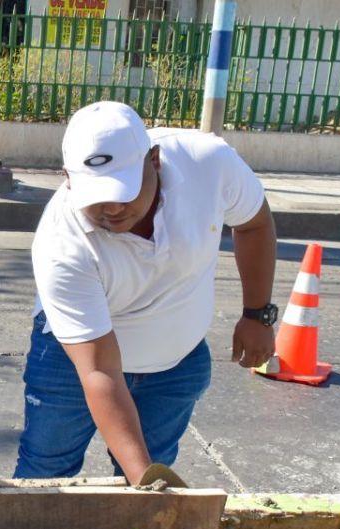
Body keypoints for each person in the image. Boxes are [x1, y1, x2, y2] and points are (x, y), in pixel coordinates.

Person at [15, 102, 278, 484]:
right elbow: (100, 370)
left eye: (124, 187)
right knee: (45, 474)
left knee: (146, 470)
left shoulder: (208, 163)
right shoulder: (61, 243)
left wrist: (257, 314)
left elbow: (255, 222)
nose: (114, 206)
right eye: (97, 194)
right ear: (68, 178)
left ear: (153, 159)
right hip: (74, 363)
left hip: (174, 364)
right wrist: (150, 489)